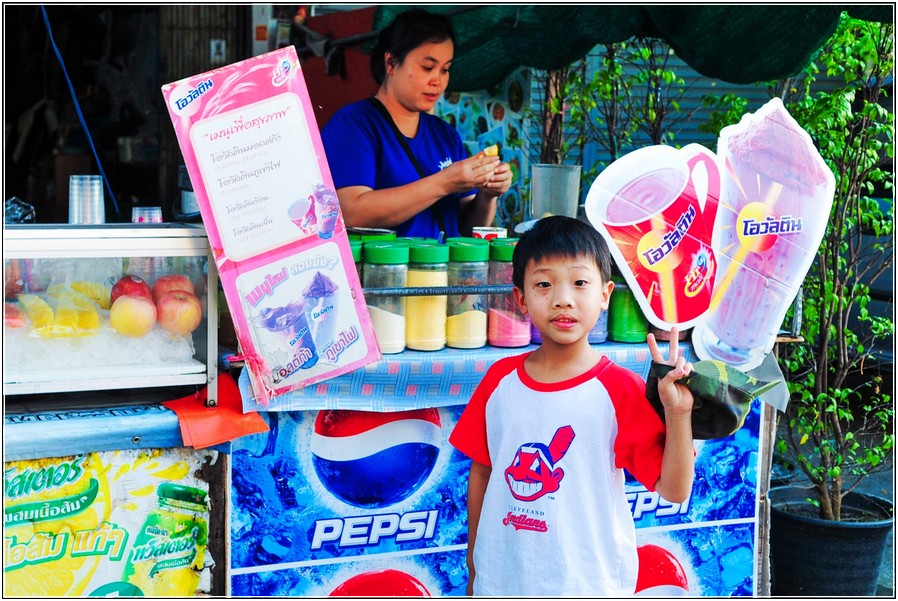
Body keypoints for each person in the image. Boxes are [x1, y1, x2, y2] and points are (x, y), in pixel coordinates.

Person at [449, 216, 696, 596]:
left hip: (588, 584)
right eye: (544, 284)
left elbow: (675, 490)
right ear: (520, 298)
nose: (563, 298)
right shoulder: (499, 381)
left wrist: (678, 414)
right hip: (502, 582)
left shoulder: (619, 389)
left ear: (605, 294)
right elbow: (482, 473)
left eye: (580, 283)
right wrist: (474, 564)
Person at [320, 8, 512, 240]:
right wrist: (444, 182)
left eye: (445, 69)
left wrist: (488, 195)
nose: (437, 80)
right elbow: (352, 212)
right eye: (428, 67)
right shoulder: (353, 125)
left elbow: (466, 227)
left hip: (443, 264)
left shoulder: (445, 134)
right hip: (386, 264)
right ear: (391, 63)